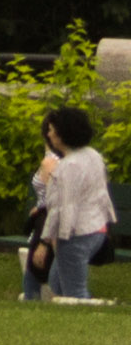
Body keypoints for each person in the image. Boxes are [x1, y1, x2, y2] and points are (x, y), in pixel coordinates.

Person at [28, 106, 112, 305]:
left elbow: (62, 209)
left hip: (76, 235)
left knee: (74, 293)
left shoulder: (68, 167)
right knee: (56, 283)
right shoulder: (93, 156)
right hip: (97, 231)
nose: (48, 134)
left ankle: (98, 315)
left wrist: (45, 242)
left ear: (61, 134)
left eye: (51, 130)